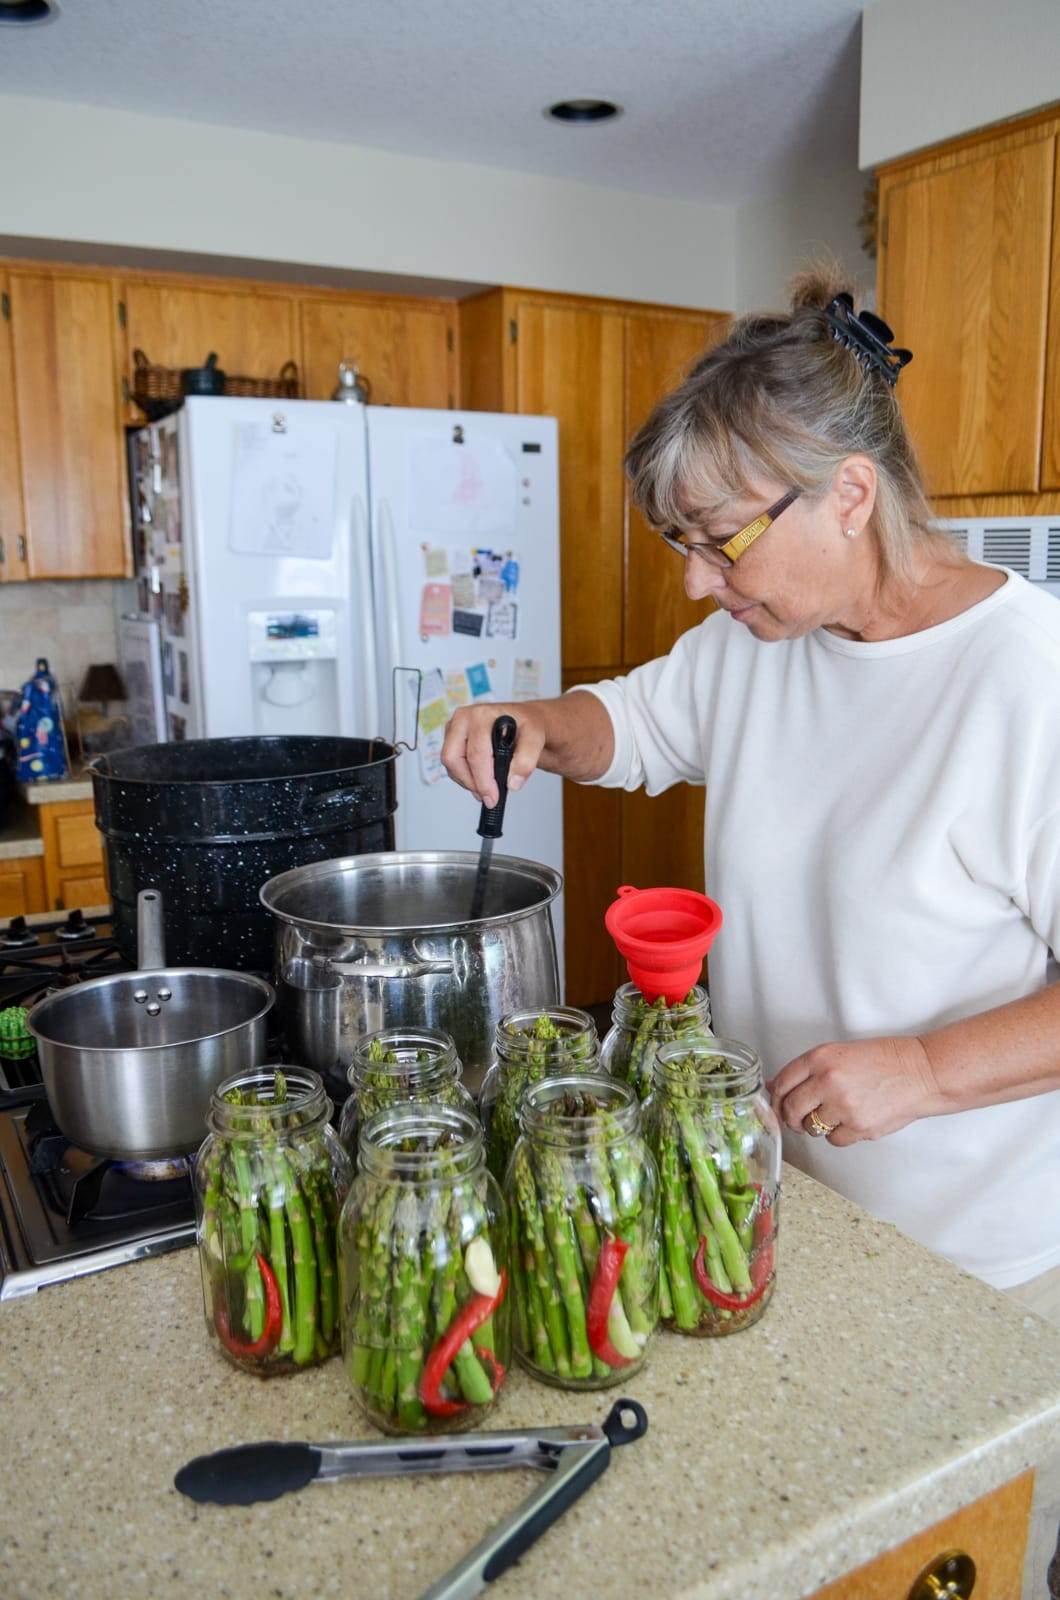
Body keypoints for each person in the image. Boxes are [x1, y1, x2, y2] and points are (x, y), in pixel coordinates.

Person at [442, 268, 1060, 1325]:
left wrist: (922, 1069)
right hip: (780, 1206)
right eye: (681, 544)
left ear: (850, 496)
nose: (694, 582)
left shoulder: (1027, 680)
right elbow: (629, 726)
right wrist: (540, 724)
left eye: (717, 538)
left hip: (984, 1272)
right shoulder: (757, 642)